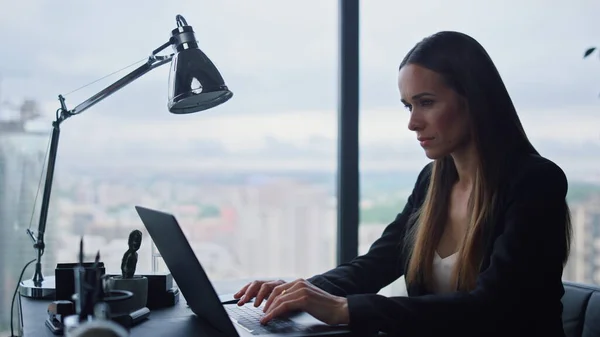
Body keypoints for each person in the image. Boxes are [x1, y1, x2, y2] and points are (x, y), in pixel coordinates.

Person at [234, 31, 572, 337]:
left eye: (426, 102)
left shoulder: (535, 183)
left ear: (474, 100)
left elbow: (494, 307)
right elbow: (377, 263)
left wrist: (344, 309)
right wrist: (300, 290)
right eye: (408, 106)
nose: (412, 122)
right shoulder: (433, 182)